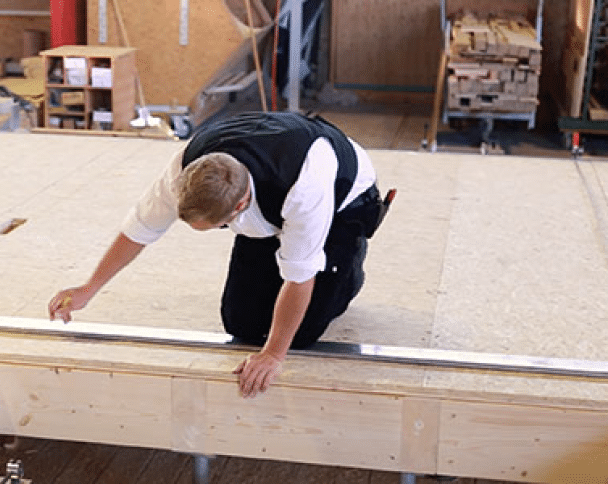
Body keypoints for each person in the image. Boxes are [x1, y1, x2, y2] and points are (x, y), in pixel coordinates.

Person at [48, 111, 391, 398]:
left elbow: (300, 278)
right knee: (241, 323)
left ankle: (348, 269)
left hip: (344, 200)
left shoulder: (305, 187)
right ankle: (277, 241)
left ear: (239, 206)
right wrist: (88, 288)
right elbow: (140, 230)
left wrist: (273, 354)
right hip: (268, 203)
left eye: (217, 226)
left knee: (299, 334)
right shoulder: (186, 168)